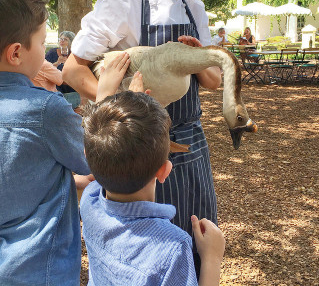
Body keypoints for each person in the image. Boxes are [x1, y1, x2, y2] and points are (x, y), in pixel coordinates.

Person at [63, 0, 222, 274]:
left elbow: (213, 82)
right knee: (148, 255)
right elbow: (73, 69)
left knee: (197, 244)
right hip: (140, 151)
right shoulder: (122, 1)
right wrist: (121, 108)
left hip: (191, 143)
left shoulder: (195, 8)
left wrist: (200, 58)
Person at [0, 0, 92, 286]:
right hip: (41, 271)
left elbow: (7, 175)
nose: (46, 50)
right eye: (43, 43)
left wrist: (67, 179)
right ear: (16, 53)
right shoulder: (47, 110)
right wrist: (108, 97)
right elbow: (96, 162)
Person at [80, 59, 225, 285]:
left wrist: (111, 95)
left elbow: (99, 148)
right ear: (165, 171)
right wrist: (212, 258)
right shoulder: (172, 246)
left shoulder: (90, 204)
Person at [46, 30, 81, 109]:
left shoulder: (75, 54)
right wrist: (57, 63)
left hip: (71, 86)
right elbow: (44, 68)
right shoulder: (52, 53)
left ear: (71, 42)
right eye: (60, 39)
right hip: (56, 86)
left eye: (65, 39)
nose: (61, 41)